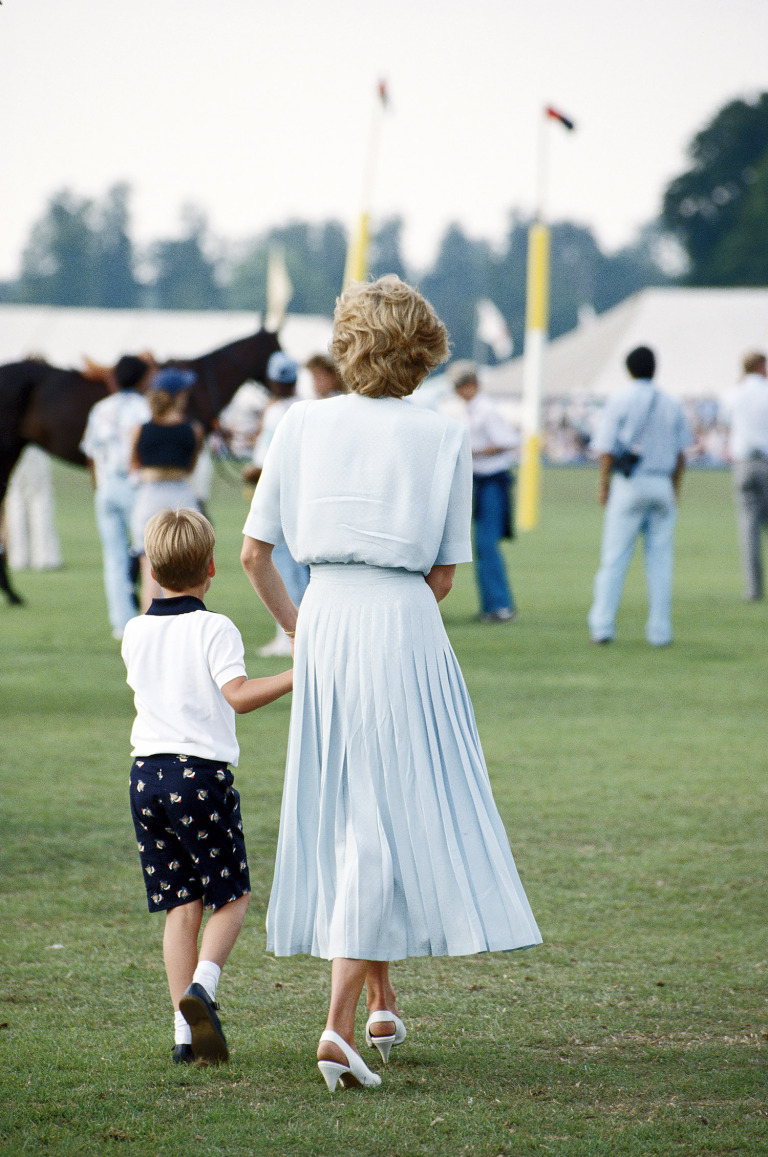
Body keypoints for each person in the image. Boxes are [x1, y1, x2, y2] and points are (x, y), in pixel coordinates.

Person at [240, 275, 541, 1093]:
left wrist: (306, 627)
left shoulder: (302, 422)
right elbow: (443, 575)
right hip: (403, 621)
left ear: (349, 342)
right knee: (382, 815)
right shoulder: (441, 434)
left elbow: (255, 554)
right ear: (424, 350)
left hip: (328, 614)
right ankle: (339, 1024)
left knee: (355, 810)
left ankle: (376, 1002)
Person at [121, 507, 293, 1065]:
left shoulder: (136, 630)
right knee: (232, 895)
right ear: (213, 568)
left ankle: (183, 1034)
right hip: (198, 778)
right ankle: (204, 989)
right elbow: (238, 695)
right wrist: (303, 671)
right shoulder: (214, 627)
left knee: (181, 904)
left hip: (145, 778)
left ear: (151, 568)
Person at [588, 346, 692, 646]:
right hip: (662, 482)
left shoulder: (619, 400)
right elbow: (682, 452)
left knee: (614, 559)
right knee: (660, 562)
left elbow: (606, 449)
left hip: (629, 483)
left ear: (629, 370)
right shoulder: (671, 402)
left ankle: (603, 627)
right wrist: (675, 488)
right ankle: (660, 632)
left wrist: (603, 484)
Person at [242, 351, 309, 657]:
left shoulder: (274, 412)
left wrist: (248, 472)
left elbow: (263, 459)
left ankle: (289, 636)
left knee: (280, 565)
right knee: (303, 568)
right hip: (306, 496)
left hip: (280, 497)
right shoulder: (308, 407)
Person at [80, 355, 152, 639]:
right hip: (137, 488)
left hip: (107, 485)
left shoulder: (100, 408)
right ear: (141, 378)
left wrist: (98, 485)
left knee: (114, 558)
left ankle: (122, 624)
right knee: (149, 555)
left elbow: (89, 451)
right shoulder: (145, 409)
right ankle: (149, 615)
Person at [444, 361, 517, 622]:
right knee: (482, 546)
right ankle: (492, 605)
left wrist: (474, 451)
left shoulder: (486, 410)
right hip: (478, 481)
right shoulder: (469, 410)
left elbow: (507, 441)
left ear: (471, 384)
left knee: (487, 544)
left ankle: (500, 605)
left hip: (492, 480)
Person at [130, 368, 205, 611]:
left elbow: (132, 463)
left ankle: (149, 628)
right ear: (178, 395)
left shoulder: (141, 429)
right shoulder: (194, 429)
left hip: (149, 495)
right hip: (181, 494)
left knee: (149, 566)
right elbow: (191, 466)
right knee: (189, 568)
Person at [719, 351, 768, 600]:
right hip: (766, 461)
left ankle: (753, 589)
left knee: (749, 530)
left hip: (744, 464)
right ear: (760, 366)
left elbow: (724, 421)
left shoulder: (734, 393)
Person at [4, 445, 63, 573]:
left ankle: (18, 558)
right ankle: (45, 557)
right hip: (33, 448)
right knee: (40, 502)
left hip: (11, 450)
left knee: (15, 502)